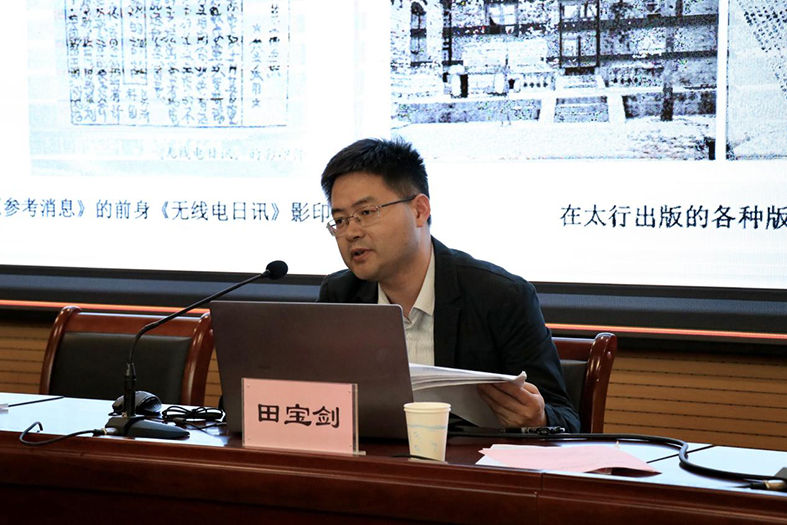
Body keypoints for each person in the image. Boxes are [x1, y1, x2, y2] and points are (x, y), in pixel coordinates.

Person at [318, 138, 579, 432]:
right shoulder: (339, 296)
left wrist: (537, 420)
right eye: (340, 220)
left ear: (419, 210)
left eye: (366, 213)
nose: (351, 232)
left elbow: (567, 420)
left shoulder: (500, 296)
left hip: (472, 460)